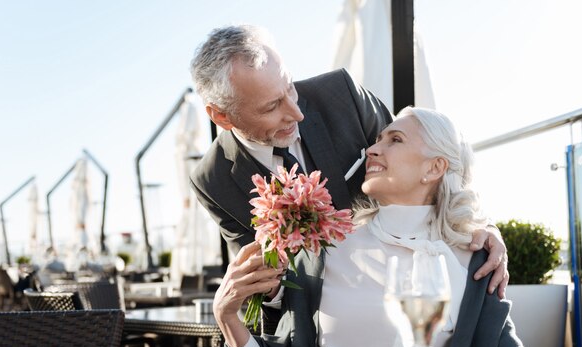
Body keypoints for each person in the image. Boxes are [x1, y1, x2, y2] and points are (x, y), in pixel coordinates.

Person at [214, 107, 541, 347]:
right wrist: (227, 316)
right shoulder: (323, 251)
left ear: (435, 168)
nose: (371, 150)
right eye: (378, 139)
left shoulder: (474, 262)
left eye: (395, 140)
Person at [188, 24, 509, 297]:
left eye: (289, 87)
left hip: (411, 281)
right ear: (221, 116)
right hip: (322, 315)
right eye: (272, 107)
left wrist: (481, 226)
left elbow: (423, 157)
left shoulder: (341, 95)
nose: (296, 113)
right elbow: (262, 284)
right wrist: (265, 285)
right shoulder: (212, 180)